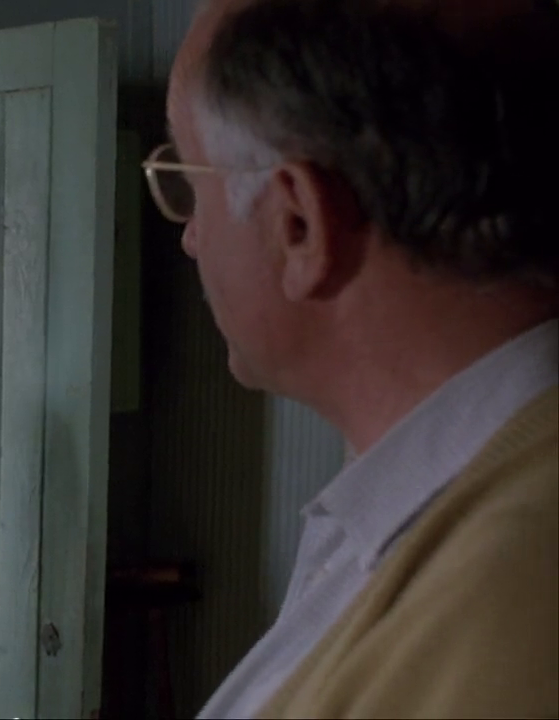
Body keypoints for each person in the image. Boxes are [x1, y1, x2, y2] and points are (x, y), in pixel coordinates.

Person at [143, 0, 558, 716]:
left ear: (300, 223)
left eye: (189, 183)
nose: (189, 236)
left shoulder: (509, 600)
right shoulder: (421, 510)